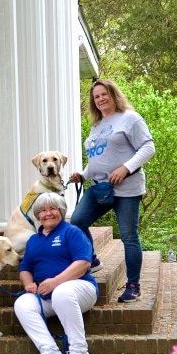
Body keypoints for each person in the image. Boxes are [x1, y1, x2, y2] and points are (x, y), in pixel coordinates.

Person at [69, 78, 155, 303]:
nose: (100, 99)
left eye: (104, 94)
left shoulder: (130, 118)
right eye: (96, 97)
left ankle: (133, 285)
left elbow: (148, 147)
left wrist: (125, 168)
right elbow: (98, 158)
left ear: (113, 94)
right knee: (77, 221)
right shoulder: (96, 126)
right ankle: (93, 260)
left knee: (129, 236)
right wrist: (83, 175)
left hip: (127, 187)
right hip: (99, 189)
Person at [14, 192, 98, 354]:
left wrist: (55, 282)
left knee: (62, 292)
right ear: (38, 215)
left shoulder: (72, 232)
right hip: (47, 296)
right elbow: (25, 269)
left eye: (53, 208)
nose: (48, 213)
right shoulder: (33, 240)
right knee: (22, 303)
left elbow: (83, 263)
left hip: (80, 289)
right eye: (43, 210)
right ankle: (50, 351)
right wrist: (28, 283)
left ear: (61, 211)